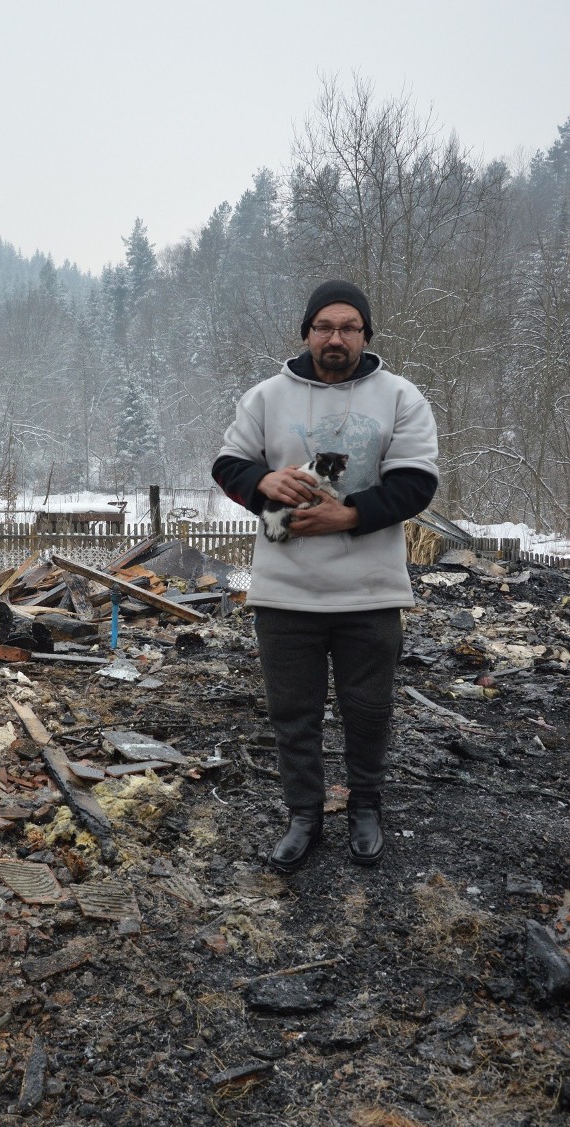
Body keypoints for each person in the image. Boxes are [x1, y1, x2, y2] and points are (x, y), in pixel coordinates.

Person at [212, 280, 439, 871]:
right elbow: (229, 463)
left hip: (371, 589)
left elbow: (417, 481)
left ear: (366, 334)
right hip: (285, 591)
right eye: (324, 327)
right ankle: (303, 816)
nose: (336, 337)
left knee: (369, 710)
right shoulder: (266, 397)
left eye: (349, 327)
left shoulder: (400, 397)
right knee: (294, 714)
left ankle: (365, 807)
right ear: (306, 331)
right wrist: (260, 483)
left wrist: (352, 514)